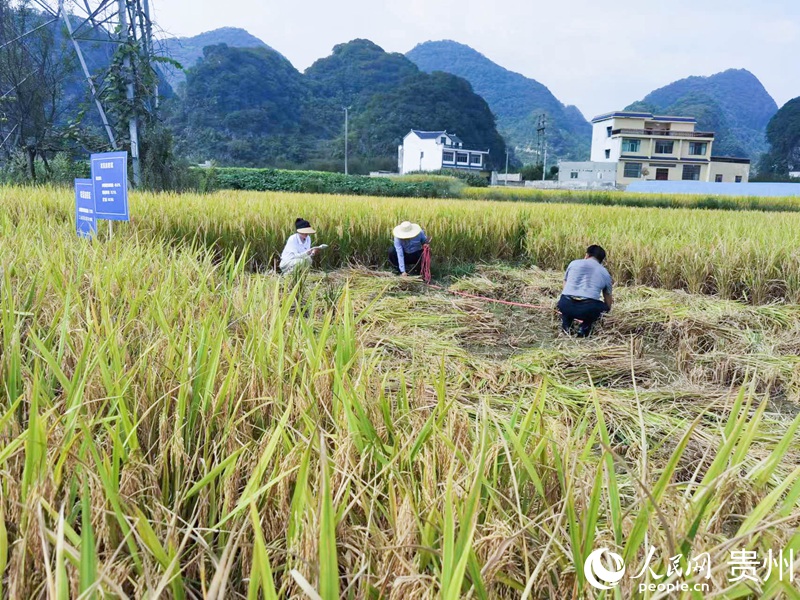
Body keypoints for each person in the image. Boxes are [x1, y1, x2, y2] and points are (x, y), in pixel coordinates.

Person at [557, 244, 613, 337]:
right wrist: (607, 310)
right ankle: (584, 327)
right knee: (602, 307)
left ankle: (567, 325)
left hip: (565, 304)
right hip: (588, 309)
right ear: (601, 260)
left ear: (587, 255)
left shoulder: (573, 263)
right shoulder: (604, 272)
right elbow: (608, 298)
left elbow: (565, 285)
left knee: (568, 302)